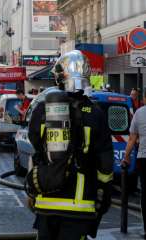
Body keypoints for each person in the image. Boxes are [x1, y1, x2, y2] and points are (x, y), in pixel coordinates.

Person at [25, 50, 114, 240]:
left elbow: (35, 146)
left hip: (45, 202)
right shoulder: (96, 113)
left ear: (58, 77)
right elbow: (105, 164)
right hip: (79, 205)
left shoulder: (42, 109)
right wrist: (104, 195)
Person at [123, 90, 146, 238]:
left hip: (144, 158)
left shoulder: (139, 113)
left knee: (145, 193)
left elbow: (132, 139)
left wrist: (126, 157)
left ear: (144, 98)